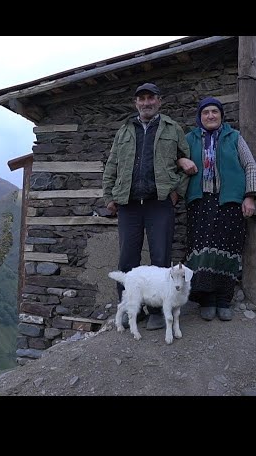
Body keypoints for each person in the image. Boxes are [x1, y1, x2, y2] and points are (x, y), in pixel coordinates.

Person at [103, 82, 190, 331]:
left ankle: (157, 311)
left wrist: (176, 193)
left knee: (160, 258)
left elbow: (188, 164)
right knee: (127, 260)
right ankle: (132, 309)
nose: (146, 102)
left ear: (159, 101)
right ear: (136, 103)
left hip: (159, 203)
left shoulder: (173, 129)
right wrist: (109, 196)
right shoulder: (124, 131)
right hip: (129, 205)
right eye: (141, 99)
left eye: (151, 98)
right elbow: (111, 165)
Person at [179, 96, 256, 321]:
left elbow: (250, 166)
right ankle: (207, 299)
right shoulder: (190, 138)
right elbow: (175, 158)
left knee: (228, 250)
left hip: (229, 202)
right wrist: (180, 161)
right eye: (206, 112)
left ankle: (224, 298)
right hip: (199, 202)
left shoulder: (234, 137)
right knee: (202, 250)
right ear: (200, 117)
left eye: (215, 112)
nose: (210, 116)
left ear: (222, 115)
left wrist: (250, 197)